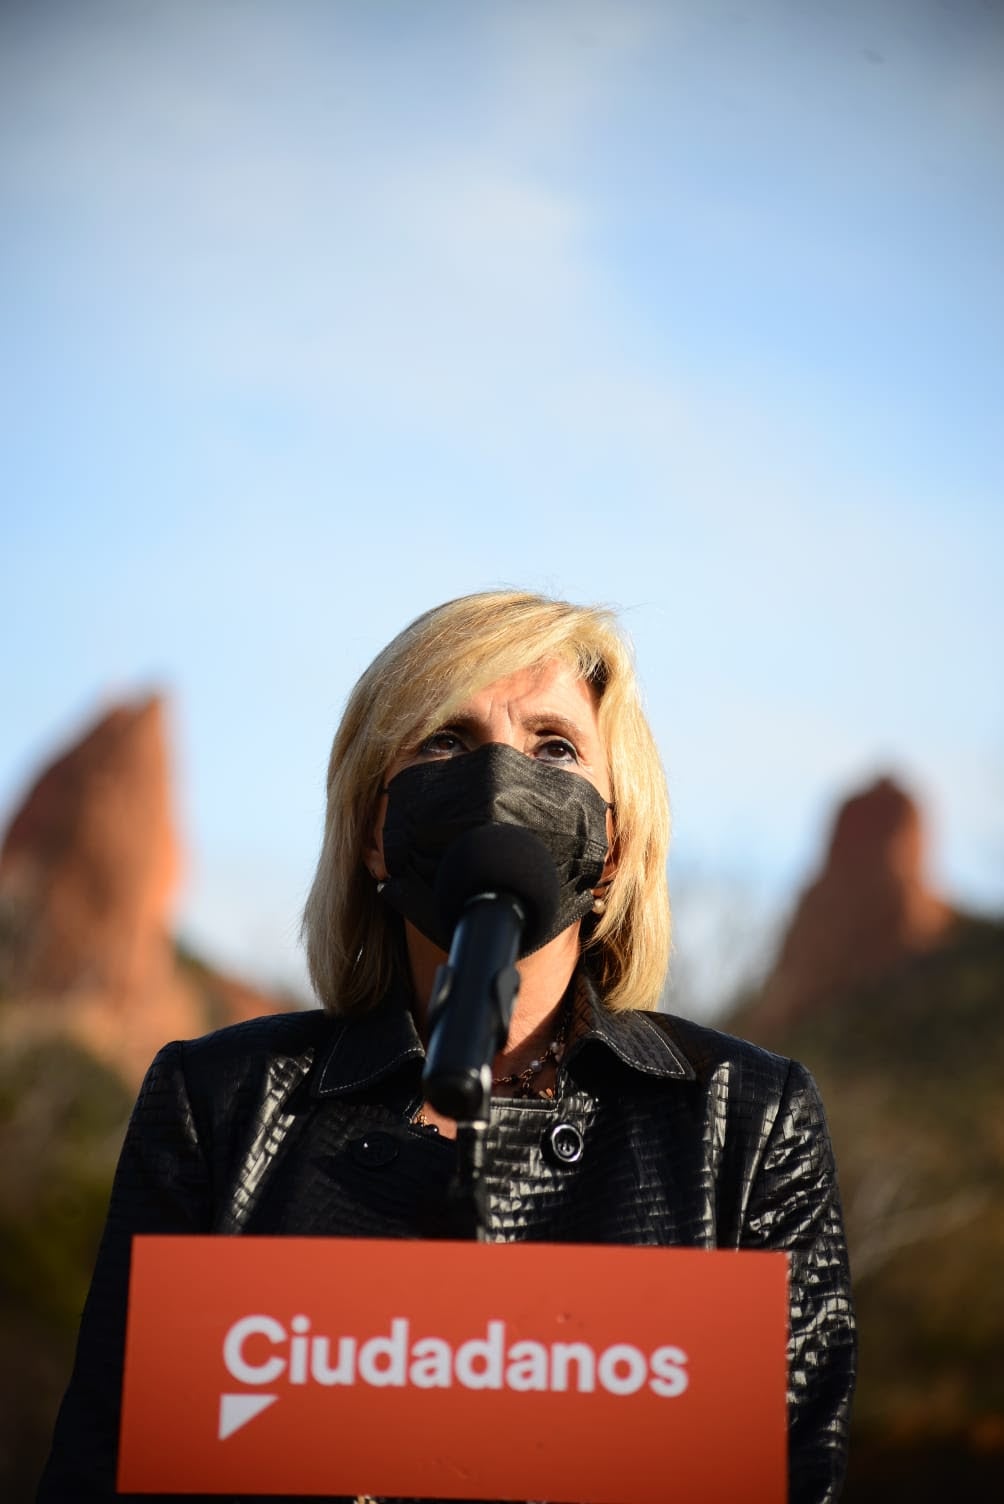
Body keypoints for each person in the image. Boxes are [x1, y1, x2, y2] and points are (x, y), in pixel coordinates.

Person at [39, 590, 856, 1503]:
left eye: (555, 746)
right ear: (377, 835)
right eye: (445, 741)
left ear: (614, 845)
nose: (502, 776)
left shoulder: (745, 1122)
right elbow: (103, 1472)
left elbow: (793, 1475)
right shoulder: (219, 1104)